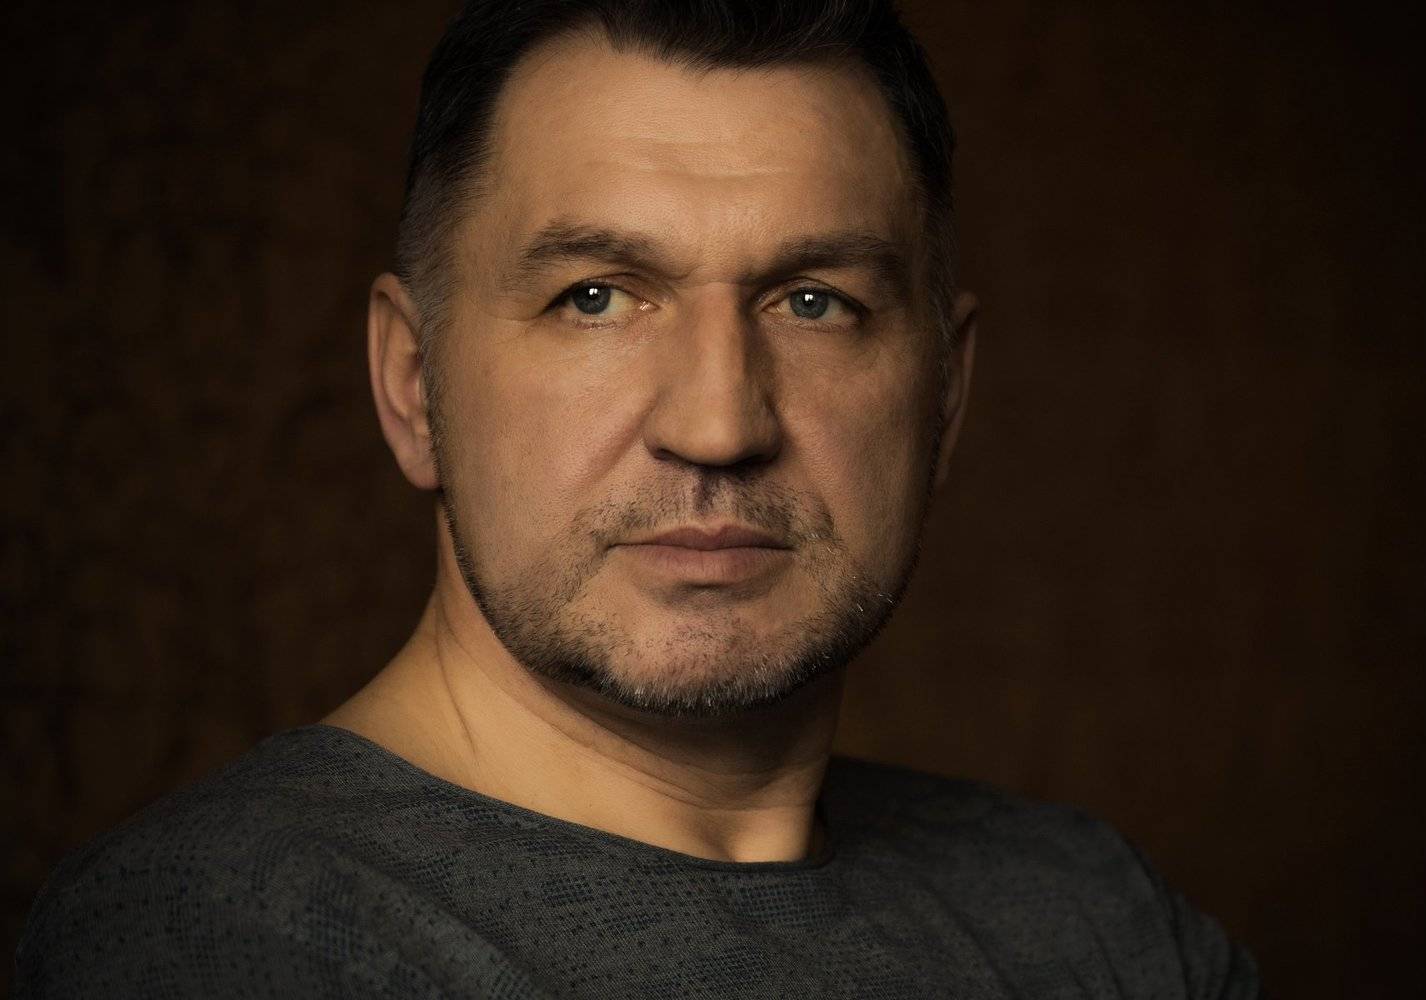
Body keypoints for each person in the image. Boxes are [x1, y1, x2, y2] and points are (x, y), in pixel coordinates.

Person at [14, 1, 1261, 996]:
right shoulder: (229, 937)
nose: (718, 425)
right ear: (412, 384)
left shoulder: (1093, 914)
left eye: (814, 302)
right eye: (597, 297)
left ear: (945, 396)